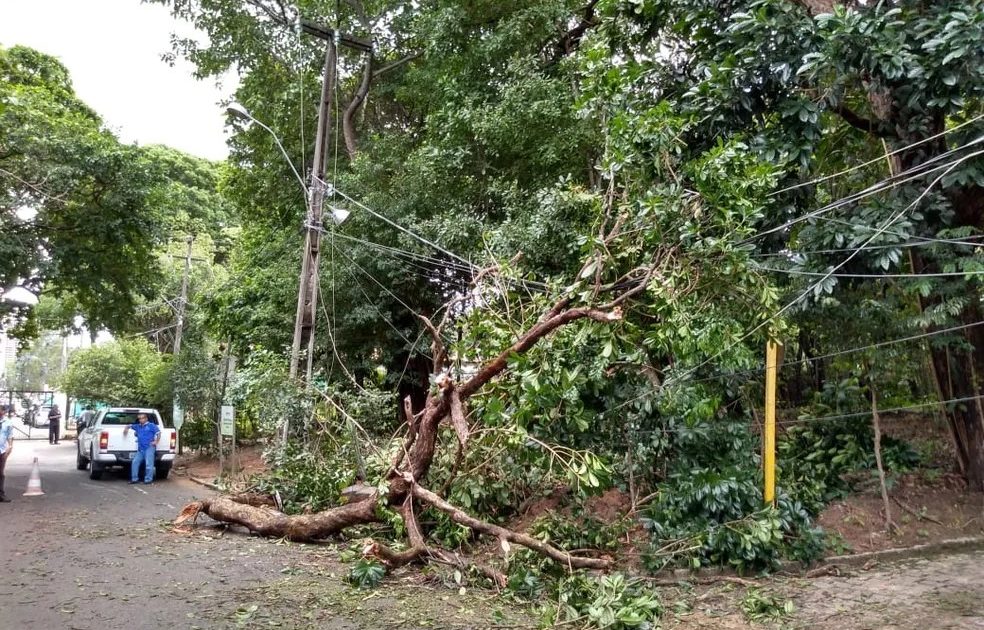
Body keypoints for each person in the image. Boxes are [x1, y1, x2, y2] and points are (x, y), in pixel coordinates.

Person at [123, 413, 160, 484]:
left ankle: (148, 480)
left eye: (142, 418)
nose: (141, 420)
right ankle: (134, 479)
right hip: (141, 449)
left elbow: (158, 433)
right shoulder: (138, 426)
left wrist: (156, 441)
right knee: (135, 462)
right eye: (139, 418)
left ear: (146, 418)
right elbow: (129, 426)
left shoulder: (151, 425)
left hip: (149, 447)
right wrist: (126, 429)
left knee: (149, 464)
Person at [0, 406, 13, 502]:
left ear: (3, 412)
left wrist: (10, 446)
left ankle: (1, 494)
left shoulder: (7, 422)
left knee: (1, 473)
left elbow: (9, 435)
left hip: (2, 451)